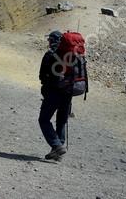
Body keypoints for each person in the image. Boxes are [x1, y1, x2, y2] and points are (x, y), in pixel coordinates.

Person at [38, 30, 70, 160]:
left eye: (50, 40)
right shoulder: (70, 55)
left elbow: (42, 76)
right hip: (68, 93)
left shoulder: (50, 54)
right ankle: (58, 151)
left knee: (44, 120)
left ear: (53, 41)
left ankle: (57, 146)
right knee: (61, 121)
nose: (49, 42)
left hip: (53, 93)